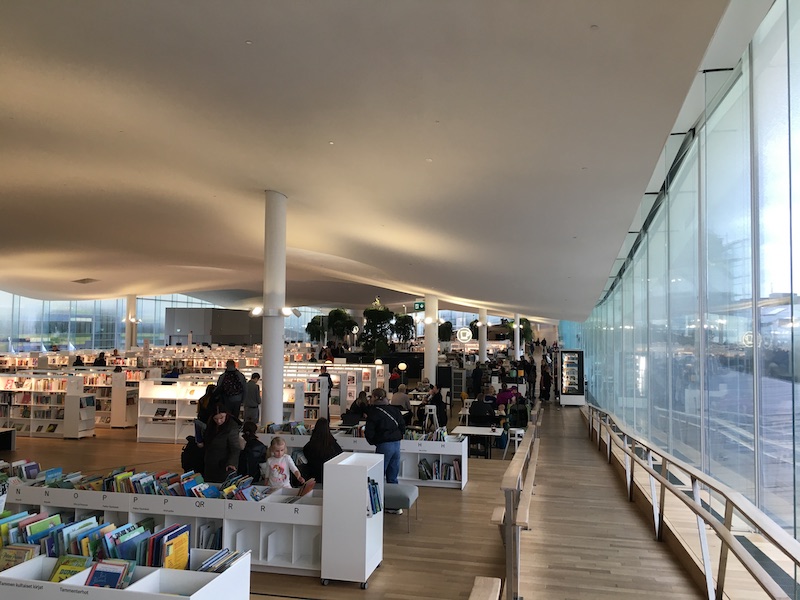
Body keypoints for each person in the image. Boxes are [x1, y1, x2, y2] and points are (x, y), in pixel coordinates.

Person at [364, 388, 405, 488]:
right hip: (396, 443)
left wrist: (375, 441)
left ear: (375, 397)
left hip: (384, 444)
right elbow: (402, 426)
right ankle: (394, 499)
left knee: (379, 474)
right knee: (393, 476)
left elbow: (369, 431)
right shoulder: (395, 410)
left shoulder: (373, 412)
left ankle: (379, 499)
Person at [202, 405, 241, 482]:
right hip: (211, 462)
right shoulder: (211, 425)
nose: (218, 421)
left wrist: (231, 463)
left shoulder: (232, 427)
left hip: (225, 464)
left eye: (221, 418)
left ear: (226, 415)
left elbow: (235, 447)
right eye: (216, 419)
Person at [302, 417, 343, 483]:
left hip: (313, 474)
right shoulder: (332, 444)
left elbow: (305, 451)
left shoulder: (311, 444)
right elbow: (340, 454)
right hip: (329, 474)